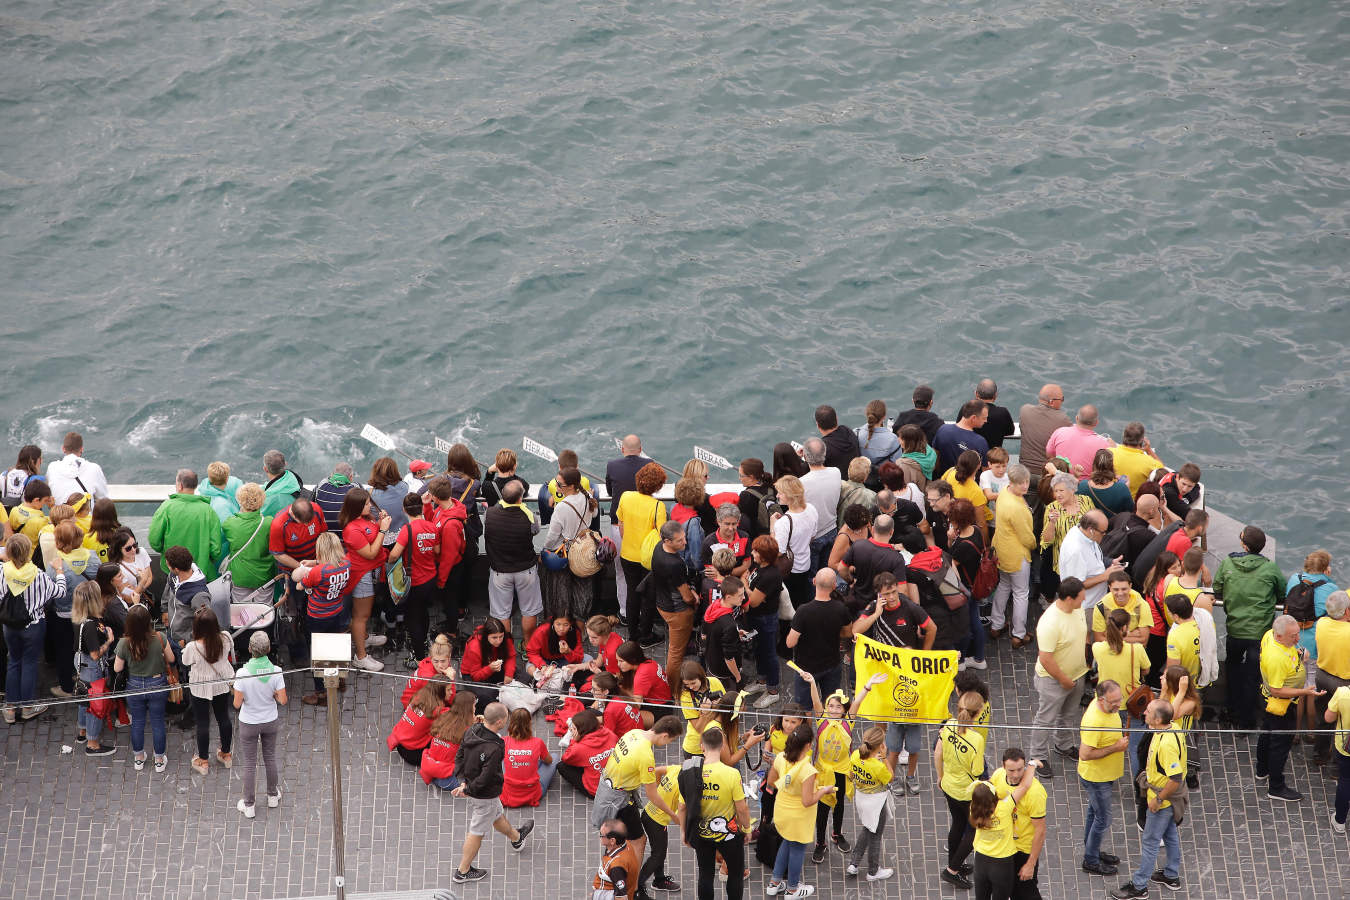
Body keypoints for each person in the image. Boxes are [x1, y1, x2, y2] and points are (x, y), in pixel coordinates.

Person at [451, 701, 536, 883]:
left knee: (496, 814)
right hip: (484, 794)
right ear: (499, 722)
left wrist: (462, 781)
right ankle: (463, 871)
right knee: (476, 831)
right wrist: (470, 789)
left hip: (475, 788)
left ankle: (516, 837)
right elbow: (487, 776)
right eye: (505, 717)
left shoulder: (471, 730)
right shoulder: (495, 746)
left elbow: (459, 755)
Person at [1110, 699, 1186, 899]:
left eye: (1149, 711)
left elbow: (1175, 778)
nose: (1144, 712)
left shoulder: (1166, 745)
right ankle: (1171, 874)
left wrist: (1158, 799)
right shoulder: (1172, 727)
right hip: (1168, 799)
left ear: (1159, 719)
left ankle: (1139, 885)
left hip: (1163, 799)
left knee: (1151, 840)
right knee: (1170, 835)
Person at [1214, 525, 1285, 729]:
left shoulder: (1228, 562)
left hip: (1235, 629)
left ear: (1244, 545)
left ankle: (1230, 710)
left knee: (1233, 669)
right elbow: (1281, 593)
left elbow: (1217, 587)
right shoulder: (1270, 568)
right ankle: (1247, 720)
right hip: (1260, 633)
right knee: (1253, 676)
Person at [589, 716, 683, 868]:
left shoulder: (634, 733)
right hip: (620, 801)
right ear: (665, 735)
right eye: (670, 741)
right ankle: (634, 885)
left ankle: (613, 873)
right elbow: (652, 795)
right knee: (639, 841)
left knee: (616, 839)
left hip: (607, 790)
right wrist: (673, 815)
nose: (668, 744)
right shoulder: (646, 755)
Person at [1257, 614, 1322, 802]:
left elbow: (1293, 651)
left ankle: (1262, 770)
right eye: (1293, 636)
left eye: (1297, 633)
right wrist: (1304, 692)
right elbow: (1277, 690)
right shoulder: (1276, 658)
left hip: (1268, 699)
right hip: (1281, 705)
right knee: (1280, 745)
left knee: (1266, 733)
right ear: (1279, 636)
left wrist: (1299, 654)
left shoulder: (1272, 636)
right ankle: (1276, 787)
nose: (1298, 639)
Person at [682, 726, 751, 900]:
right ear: (722, 747)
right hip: (729, 834)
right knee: (735, 874)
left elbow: (683, 807)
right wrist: (747, 828)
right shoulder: (732, 774)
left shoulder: (690, 772)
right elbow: (741, 808)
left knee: (705, 875)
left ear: (702, 747)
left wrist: (684, 832)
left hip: (701, 833)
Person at [1, 533, 65, 722]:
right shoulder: (38, 575)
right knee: (29, 662)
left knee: (13, 661)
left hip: (9, 624)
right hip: (33, 625)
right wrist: (59, 571)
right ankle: (28, 706)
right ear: (28, 552)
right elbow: (59, 592)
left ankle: (10, 708)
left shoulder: (2, 571)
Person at [765, 723, 834, 898]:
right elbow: (807, 801)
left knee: (786, 843)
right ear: (808, 745)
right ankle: (793, 889)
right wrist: (823, 791)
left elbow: (772, 781)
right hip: (799, 817)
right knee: (797, 849)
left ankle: (775, 883)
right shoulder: (808, 770)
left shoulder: (780, 757)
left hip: (782, 810)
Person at [1030, 578, 1088, 777]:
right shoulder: (1050, 622)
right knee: (1045, 718)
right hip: (1053, 680)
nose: (1084, 600)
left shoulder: (1077, 610)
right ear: (1070, 598)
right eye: (1081, 597)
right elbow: (1045, 658)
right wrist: (1063, 680)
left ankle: (1062, 745)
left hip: (1077, 675)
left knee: (1068, 714)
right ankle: (1037, 756)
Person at [968, 759, 1042, 900]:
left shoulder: (974, 811)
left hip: (981, 863)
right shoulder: (1003, 808)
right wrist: (1032, 765)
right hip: (1002, 865)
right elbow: (1025, 786)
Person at [935, 690, 987, 891]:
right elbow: (977, 770)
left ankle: (954, 862)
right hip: (967, 792)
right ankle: (952, 870)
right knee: (975, 829)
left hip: (948, 785)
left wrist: (940, 776)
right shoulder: (976, 740)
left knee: (957, 823)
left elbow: (938, 753)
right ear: (978, 712)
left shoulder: (947, 726)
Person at [113, 603, 174, 772]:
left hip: (134, 685)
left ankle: (139, 758)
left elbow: (117, 668)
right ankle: (159, 760)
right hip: (157, 684)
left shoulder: (125, 643)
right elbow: (171, 657)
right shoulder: (160, 637)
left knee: (138, 722)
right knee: (157, 722)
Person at [1078, 680, 1130, 877]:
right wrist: (1115, 748)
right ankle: (1090, 860)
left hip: (1106, 774)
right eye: (1114, 702)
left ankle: (1092, 850)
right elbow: (1085, 754)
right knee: (1103, 819)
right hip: (1096, 778)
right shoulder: (1094, 720)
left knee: (1094, 813)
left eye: (1120, 700)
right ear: (1101, 699)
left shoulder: (1107, 707)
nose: (1118, 705)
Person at [1286, 550, 1340, 742]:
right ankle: (1310, 732)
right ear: (1326, 568)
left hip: (1294, 642)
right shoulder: (1331, 588)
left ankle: (1294, 734)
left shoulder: (1294, 579)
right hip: (1315, 644)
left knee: (1299, 691)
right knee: (1310, 690)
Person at [482, 478, 543, 643]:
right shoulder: (530, 516)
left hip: (499, 571)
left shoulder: (490, 514)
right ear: (520, 498)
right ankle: (528, 645)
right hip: (526, 570)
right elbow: (535, 531)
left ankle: (506, 645)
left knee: (502, 613)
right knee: (529, 610)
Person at [338, 488, 390, 671]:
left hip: (372, 570)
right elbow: (370, 553)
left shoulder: (366, 519)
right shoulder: (351, 529)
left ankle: (365, 637)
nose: (371, 506)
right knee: (361, 615)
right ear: (357, 507)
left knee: (365, 612)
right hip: (361, 574)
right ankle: (360, 656)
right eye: (367, 504)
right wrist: (383, 529)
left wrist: (380, 522)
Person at [616, 461, 668, 642]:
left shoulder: (626, 496)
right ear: (658, 485)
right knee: (648, 597)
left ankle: (632, 633)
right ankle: (645, 635)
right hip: (647, 559)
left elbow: (621, 524)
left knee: (632, 593)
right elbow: (663, 536)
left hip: (627, 554)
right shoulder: (657, 506)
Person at [985, 747, 1047, 899]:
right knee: (1008, 889)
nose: (1016, 775)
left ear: (1024, 766)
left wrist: (1030, 864)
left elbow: (1040, 830)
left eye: (1020, 769)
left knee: (1026, 892)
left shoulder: (1035, 792)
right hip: (1004, 847)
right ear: (1003, 766)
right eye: (1011, 770)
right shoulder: (998, 775)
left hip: (1022, 851)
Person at [387, 493, 441, 664]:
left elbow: (394, 555)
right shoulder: (432, 527)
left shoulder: (407, 530)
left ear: (404, 510)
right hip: (431, 577)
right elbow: (437, 551)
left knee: (412, 618)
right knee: (423, 611)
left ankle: (419, 657)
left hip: (414, 582)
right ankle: (424, 640)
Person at [180, 606, 235, 776]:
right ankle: (226, 754)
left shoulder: (193, 647)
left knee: (203, 722)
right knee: (223, 717)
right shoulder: (225, 638)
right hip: (221, 682)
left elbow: (185, 661)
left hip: (200, 686)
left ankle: (203, 761)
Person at [607, 436, 656, 624]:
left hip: (619, 524)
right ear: (641, 449)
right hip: (645, 525)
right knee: (645, 571)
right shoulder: (649, 463)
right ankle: (644, 613)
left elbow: (611, 492)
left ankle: (625, 612)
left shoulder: (612, 465)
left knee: (621, 571)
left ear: (622, 449)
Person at [541, 466, 600, 621]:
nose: (557, 486)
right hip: (584, 548)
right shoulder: (587, 495)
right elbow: (594, 514)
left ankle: (562, 622)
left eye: (560, 484)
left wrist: (545, 550)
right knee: (582, 591)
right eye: (556, 483)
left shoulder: (561, 507)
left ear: (572, 486)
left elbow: (553, 536)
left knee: (562, 591)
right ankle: (581, 623)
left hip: (565, 552)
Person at [785, 570, 851, 706]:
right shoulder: (841, 609)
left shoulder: (803, 611)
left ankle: (807, 728)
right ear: (834, 586)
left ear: (814, 582)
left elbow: (790, 643)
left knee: (805, 711)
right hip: (832, 665)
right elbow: (847, 633)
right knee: (831, 706)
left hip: (805, 669)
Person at [990, 464, 1036, 648]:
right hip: (1017, 555)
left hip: (1001, 550)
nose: (1025, 486)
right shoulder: (1017, 507)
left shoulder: (1004, 492)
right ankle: (1018, 634)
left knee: (1004, 586)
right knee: (1020, 593)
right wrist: (1035, 545)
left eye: (1026, 482)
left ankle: (996, 624)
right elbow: (1027, 537)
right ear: (1012, 483)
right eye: (1021, 483)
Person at [148, 469, 223, 580]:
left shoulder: (166, 507)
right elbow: (216, 549)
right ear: (195, 485)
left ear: (180, 486)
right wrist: (204, 558)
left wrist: (166, 553)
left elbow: (154, 540)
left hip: (173, 569)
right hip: (200, 572)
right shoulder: (208, 510)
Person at [844, 724, 895, 882]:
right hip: (876, 803)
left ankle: (854, 862)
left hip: (861, 798)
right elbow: (890, 777)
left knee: (867, 828)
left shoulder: (855, 755)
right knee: (875, 835)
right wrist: (885, 757)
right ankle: (873, 871)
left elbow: (851, 774)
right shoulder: (878, 766)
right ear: (881, 745)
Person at [650, 519, 697, 688]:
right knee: (675, 653)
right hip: (677, 612)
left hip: (662, 603)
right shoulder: (674, 564)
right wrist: (695, 598)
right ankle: (672, 688)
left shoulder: (658, 548)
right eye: (680, 540)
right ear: (667, 541)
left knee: (676, 647)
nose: (685, 542)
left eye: (684, 537)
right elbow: (687, 597)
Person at [69, 581, 115, 754]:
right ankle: (93, 743)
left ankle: (82, 731)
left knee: (83, 697)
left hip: (80, 661)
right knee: (95, 703)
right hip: (92, 665)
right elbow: (96, 654)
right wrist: (109, 640)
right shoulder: (90, 626)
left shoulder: (79, 617)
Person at [836, 514, 914, 611]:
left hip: (857, 602)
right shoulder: (896, 558)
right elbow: (902, 590)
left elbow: (841, 569)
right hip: (881, 608)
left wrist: (851, 581)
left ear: (872, 529)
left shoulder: (858, 545)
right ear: (892, 532)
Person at [743, 535, 784, 708]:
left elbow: (753, 601)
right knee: (759, 650)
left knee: (769, 654)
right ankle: (761, 681)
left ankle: (773, 690)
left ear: (764, 555)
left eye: (755, 551)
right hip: (756, 617)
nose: (752, 553)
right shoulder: (760, 567)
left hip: (765, 619)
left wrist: (744, 584)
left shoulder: (771, 575)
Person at [1058, 510, 1122, 615]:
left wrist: (1110, 562)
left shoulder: (1082, 533)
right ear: (1091, 530)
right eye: (1102, 532)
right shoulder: (1075, 550)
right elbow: (1076, 585)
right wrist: (1104, 576)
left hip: (1095, 603)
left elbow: (1091, 558)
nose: (1104, 535)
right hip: (1086, 608)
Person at [220, 482, 275, 602]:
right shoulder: (269, 523)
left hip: (240, 576)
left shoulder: (230, 523)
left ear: (240, 500)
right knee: (264, 613)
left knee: (241, 615)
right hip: (264, 576)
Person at [771, 475, 817, 609]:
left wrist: (772, 526)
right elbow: (812, 536)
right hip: (805, 563)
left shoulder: (784, 522)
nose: (778, 495)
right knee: (803, 598)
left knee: (790, 605)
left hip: (790, 570)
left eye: (780, 492)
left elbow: (778, 551)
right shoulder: (811, 509)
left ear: (790, 496)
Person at [1315, 591, 1350, 765]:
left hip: (1322, 676)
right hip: (1343, 683)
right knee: (1343, 725)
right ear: (1347, 612)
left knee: (1323, 717)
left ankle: (1320, 754)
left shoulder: (1321, 623)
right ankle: (1338, 765)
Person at [798, 438, 841, 575]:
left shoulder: (801, 483)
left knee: (812, 576)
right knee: (827, 571)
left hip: (814, 536)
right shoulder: (836, 472)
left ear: (805, 456)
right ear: (825, 453)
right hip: (833, 529)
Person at [387, 679, 450, 766]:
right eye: (448, 690)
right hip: (415, 754)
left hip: (401, 745)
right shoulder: (437, 710)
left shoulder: (419, 697)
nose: (451, 692)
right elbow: (455, 715)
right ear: (440, 693)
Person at [558, 708, 619, 798]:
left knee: (562, 766)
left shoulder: (579, 749)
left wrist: (574, 741)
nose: (571, 730)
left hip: (596, 790)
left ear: (582, 730)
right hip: (615, 782)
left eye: (574, 728)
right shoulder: (610, 734)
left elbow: (566, 758)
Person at [421, 691, 475, 789]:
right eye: (474, 705)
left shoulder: (444, 716)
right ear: (469, 709)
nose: (475, 708)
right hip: (448, 780)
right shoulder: (468, 731)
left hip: (431, 771)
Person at [461, 619, 517, 712]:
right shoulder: (475, 647)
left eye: (501, 636)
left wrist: (509, 674)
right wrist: (490, 668)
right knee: (489, 697)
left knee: (523, 678)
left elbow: (511, 657)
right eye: (494, 638)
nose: (499, 641)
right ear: (486, 636)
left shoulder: (506, 639)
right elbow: (475, 676)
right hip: (472, 675)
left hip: (494, 666)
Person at [525, 614, 589, 692]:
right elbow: (532, 652)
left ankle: (555, 678)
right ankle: (557, 677)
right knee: (529, 666)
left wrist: (568, 652)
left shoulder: (575, 632)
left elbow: (579, 657)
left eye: (566, 625)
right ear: (553, 623)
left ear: (571, 624)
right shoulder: (542, 630)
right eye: (558, 624)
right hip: (545, 660)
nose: (561, 628)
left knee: (588, 659)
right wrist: (542, 666)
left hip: (564, 661)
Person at [702, 575, 746, 689]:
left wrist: (735, 634)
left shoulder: (714, 606)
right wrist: (738, 677)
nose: (744, 598)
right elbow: (729, 658)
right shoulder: (729, 625)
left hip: (711, 660)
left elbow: (706, 634)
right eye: (740, 595)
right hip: (723, 671)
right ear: (728, 597)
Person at [1045, 406, 1113, 479]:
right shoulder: (1104, 444)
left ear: (1077, 418)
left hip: (1057, 482)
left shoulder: (1060, 432)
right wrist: (1113, 448)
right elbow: (1107, 470)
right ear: (1096, 423)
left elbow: (1049, 455)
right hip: (1083, 487)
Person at [1017, 385, 1071, 476]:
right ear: (1051, 402)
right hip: (1046, 475)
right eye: (1061, 399)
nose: (1062, 402)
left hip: (1024, 473)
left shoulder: (1025, 411)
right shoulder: (1063, 420)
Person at [616, 641, 672, 722]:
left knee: (625, 716)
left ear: (632, 659)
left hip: (660, 709)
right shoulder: (648, 662)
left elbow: (637, 706)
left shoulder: (641, 676)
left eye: (621, 661)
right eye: (617, 660)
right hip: (663, 699)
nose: (618, 664)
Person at [44, 431, 109, 502]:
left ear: (63, 448)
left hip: (59, 512)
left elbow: (48, 491)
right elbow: (103, 497)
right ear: (81, 449)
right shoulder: (94, 468)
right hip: (85, 513)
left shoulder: (52, 468)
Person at [1093, 571, 1154, 645]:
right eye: (1116, 589)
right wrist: (1129, 634)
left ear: (1130, 586)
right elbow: (1099, 640)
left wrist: (1110, 635)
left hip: (1132, 653)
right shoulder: (1101, 607)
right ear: (1109, 588)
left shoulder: (1141, 605)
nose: (1120, 593)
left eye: (1124, 589)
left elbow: (1143, 640)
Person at [1324, 664, 1350, 833]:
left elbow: (1328, 718)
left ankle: (1340, 821)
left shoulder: (1343, 693)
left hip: (1345, 747)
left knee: (1345, 781)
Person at [932, 400, 990, 475]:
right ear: (973, 418)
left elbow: (935, 456)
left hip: (944, 479)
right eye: (984, 418)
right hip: (966, 484)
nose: (986, 421)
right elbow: (986, 471)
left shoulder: (943, 429)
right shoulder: (980, 442)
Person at [956, 379, 1015, 450]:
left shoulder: (966, 408)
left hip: (971, 457)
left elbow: (959, 428)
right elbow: (1010, 431)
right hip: (993, 458)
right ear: (995, 395)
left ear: (976, 394)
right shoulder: (1003, 413)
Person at [594, 817, 642, 900]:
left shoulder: (616, 868)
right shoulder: (626, 844)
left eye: (601, 835)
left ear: (612, 841)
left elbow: (621, 897)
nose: (599, 836)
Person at [1111, 423, 1164, 496]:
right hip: (1132, 503)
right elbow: (1162, 469)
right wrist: (1149, 450)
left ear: (1123, 436)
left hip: (1109, 496)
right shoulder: (1149, 462)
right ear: (1142, 440)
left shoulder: (1109, 453)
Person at [1078, 450, 1133, 516]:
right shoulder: (1122, 488)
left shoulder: (1082, 485)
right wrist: (1125, 489)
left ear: (1094, 465)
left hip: (1088, 525)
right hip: (1113, 525)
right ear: (1111, 466)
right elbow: (1130, 512)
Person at [735, 458, 775, 541]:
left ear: (751, 477)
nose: (739, 478)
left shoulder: (746, 495)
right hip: (773, 533)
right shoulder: (771, 488)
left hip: (756, 538)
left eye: (741, 475)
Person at [856, 399, 902, 471]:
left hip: (861, 476)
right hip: (883, 479)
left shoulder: (856, 433)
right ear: (884, 417)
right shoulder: (893, 439)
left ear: (866, 414)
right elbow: (897, 466)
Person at [815, 404, 860, 477]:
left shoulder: (822, 447)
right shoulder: (847, 430)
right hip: (859, 475)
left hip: (841, 485)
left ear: (817, 425)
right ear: (836, 418)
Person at [312, 462, 357, 532]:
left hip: (324, 538)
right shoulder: (355, 488)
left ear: (332, 475)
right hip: (347, 537)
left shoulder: (321, 486)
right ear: (351, 477)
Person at [260, 450, 304, 518]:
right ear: (285, 464)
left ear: (265, 469)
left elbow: (260, 518)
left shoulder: (269, 499)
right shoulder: (293, 478)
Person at [836, 458, 877, 527]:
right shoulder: (871, 495)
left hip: (836, 532)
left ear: (849, 471)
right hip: (856, 533)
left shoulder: (837, 485)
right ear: (866, 477)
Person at [1, 444, 44, 511]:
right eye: (40, 458)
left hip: (5, 516)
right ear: (34, 461)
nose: (41, 461)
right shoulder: (37, 480)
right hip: (25, 517)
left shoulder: (4, 475)